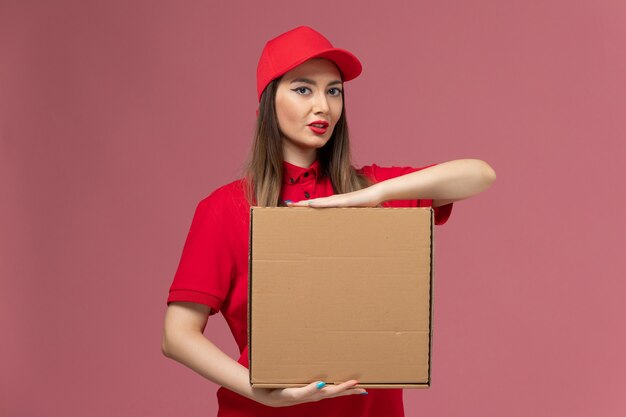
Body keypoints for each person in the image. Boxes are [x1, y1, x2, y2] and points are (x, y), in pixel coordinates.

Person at [162, 25, 496, 416]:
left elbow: (479, 174)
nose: (323, 105)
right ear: (268, 102)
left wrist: (374, 194)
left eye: (333, 90)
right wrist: (261, 392)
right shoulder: (226, 208)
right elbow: (177, 335)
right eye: (303, 89)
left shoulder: (371, 190)